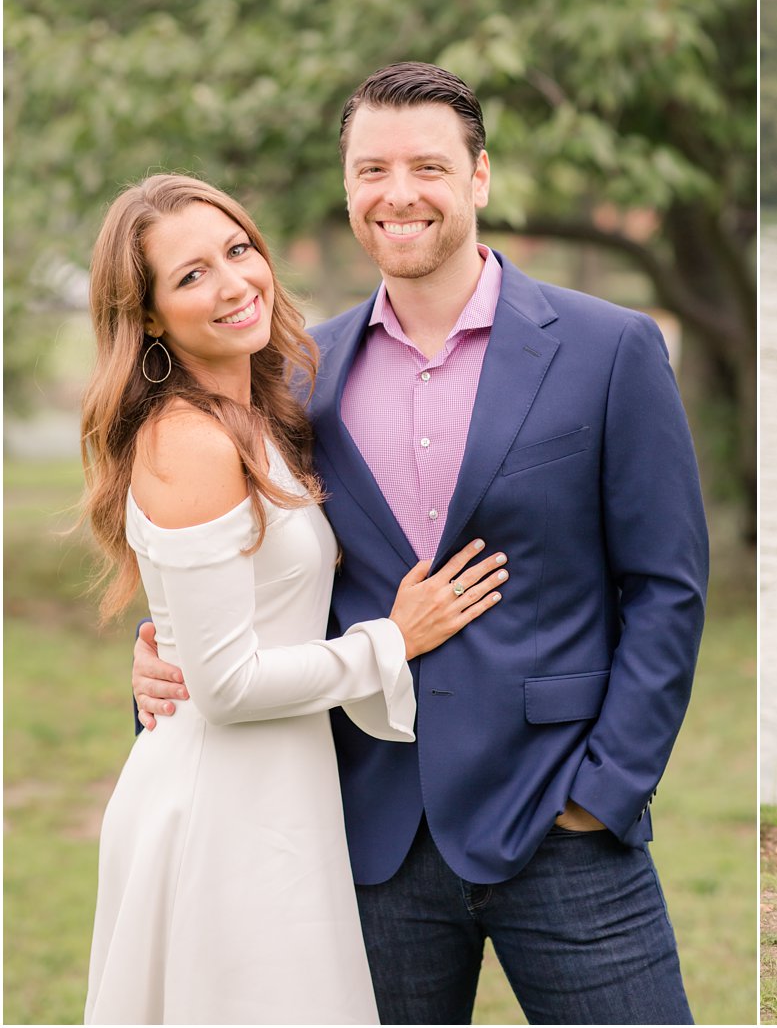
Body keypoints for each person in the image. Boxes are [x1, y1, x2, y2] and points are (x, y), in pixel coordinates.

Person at [132, 62, 708, 1023]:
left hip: (560, 821)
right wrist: (160, 657)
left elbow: (667, 587)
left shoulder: (611, 349)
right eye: (371, 170)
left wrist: (602, 792)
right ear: (348, 187)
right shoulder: (295, 379)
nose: (398, 193)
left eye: (428, 166)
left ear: (479, 177)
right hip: (367, 833)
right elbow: (253, 572)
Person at [79, 174, 506, 1023]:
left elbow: (227, 613)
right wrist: (394, 639)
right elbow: (228, 687)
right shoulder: (188, 440)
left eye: (238, 250)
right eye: (191, 274)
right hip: (222, 804)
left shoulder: (257, 414)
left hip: (283, 788)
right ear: (152, 316)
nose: (235, 283)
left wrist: (165, 637)